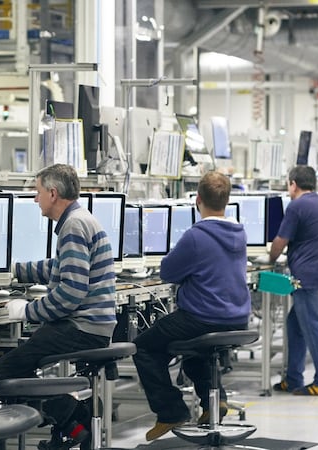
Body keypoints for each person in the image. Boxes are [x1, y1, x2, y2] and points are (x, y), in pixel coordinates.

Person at [0, 164, 117, 445]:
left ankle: (74, 418)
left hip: (82, 328)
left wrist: (27, 311)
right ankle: (73, 420)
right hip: (92, 325)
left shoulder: (73, 226)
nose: (35, 199)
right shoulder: (80, 219)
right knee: (19, 363)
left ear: (52, 193)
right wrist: (13, 270)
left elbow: (70, 294)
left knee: (6, 370)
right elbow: (59, 267)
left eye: (38, 192)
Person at [132, 171, 251, 441]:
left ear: (197, 200)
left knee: (143, 347)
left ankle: (170, 411)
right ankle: (214, 401)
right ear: (227, 201)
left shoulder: (196, 236)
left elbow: (168, 272)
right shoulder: (239, 232)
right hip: (237, 317)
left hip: (204, 317)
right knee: (195, 353)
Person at [269, 165, 318, 396]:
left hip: (307, 278)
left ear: (293, 184)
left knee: (315, 328)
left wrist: (269, 259)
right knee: (295, 325)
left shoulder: (297, 206)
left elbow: (281, 241)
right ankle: (293, 378)